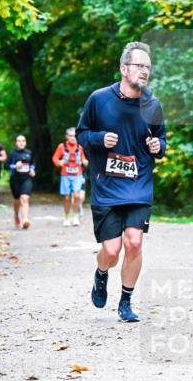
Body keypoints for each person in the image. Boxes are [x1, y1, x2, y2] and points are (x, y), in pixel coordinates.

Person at [76, 41, 166, 323]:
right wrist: (99, 139)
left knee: (135, 243)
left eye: (148, 67)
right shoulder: (99, 99)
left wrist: (157, 146)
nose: (145, 71)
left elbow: (162, 141)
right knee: (112, 250)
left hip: (139, 184)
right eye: (140, 66)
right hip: (107, 185)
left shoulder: (152, 104)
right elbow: (82, 134)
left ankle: (126, 301)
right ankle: (101, 273)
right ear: (123, 68)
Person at [52, 126, 89, 227]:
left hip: (77, 174)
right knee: (67, 197)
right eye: (70, 136)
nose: (72, 138)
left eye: (74, 136)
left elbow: (83, 159)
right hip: (66, 175)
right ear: (66, 136)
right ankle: (67, 217)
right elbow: (55, 158)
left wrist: (85, 161)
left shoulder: (80, 147)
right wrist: (59, 162)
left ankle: (75, 217)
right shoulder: (61, 146)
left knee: (77, 195)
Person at [8, 134, 35, 229]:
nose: (21, 143)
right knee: (17, 200)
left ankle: (25, 219)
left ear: (25, 142)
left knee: (24, 198)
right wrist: (15, 166)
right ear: (16, 143)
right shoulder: (12, 154)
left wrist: (32, 170)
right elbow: (6, 166)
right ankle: (16, 215)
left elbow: (32, 164)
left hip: (26, 178)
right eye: (19, 141)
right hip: (15, 179)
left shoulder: (29, 153)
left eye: (23, 141)